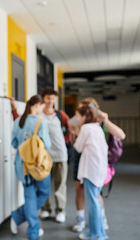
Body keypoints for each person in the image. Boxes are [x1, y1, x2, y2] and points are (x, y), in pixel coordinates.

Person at [70, 97, 126, 233]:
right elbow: (75, 143)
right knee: (80, 190)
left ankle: (101, 220)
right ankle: (81, 219)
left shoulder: (100, 122)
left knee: (95, 193)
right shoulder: (77, 120)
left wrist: (106, 120)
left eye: (86, 109)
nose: (82, 113)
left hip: (96, 161)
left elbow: (121, 135)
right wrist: (74, 131)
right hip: (81, 158)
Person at [10, 95, 51, 240]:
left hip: (22, 166)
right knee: (44, 192)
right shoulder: (41, 122)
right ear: (37, 105)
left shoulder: (18, 121)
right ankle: (32, 230)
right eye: (42, 106)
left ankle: (20, 217)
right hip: (38, 166)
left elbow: (14, 143)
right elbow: (47, 145)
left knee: (29, 197)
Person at [74, 105, 108, 240]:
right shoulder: (97, 127)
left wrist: (75, 133)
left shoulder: (86, 128)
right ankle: (95, 232)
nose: (76, 119)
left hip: (91, 171)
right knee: (94, 202)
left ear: (85, 116)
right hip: (99, 170)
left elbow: (78, 147)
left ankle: (98, 234)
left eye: (78, 116)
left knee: (93, 204)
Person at [38, 87, 69, 223]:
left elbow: (71, 128)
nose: (50, 101)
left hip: (60, 155)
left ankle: (60, 211)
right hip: (44, 156)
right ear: (43, 98)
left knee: (60, 184)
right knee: (44, 185)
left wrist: (65, 141)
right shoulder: (38, 114)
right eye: (48, 98)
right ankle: (46, 209)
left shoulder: (60, 114)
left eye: (52, 98)